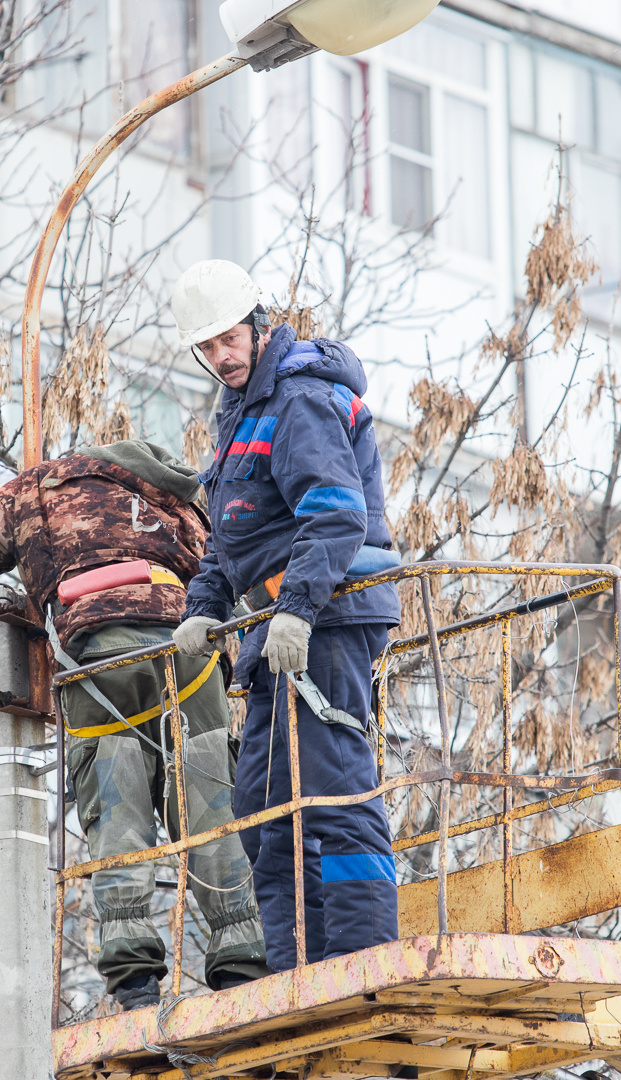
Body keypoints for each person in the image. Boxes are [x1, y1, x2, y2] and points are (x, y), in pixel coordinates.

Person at [0, 439, 269, 1011]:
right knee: (208, 797)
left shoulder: (38, 489)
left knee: (117, 805)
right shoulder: (181, 500)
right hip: (189, 653)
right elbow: (244, 578)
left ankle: (134, 977)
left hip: (96, 653)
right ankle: (241, 964)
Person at [169, 260, 403, 973]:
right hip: (281, 625)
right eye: (206, 348)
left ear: (258, 324)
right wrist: (203, 607)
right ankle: (293, 966)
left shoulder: (298, 397)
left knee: (334, 788)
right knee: (266, 808)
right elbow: (236, 532)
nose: (221, 357)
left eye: (229, 339)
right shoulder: (241, 412)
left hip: (327, 614)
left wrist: (296, 611)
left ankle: (358, 960)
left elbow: (335, 515)